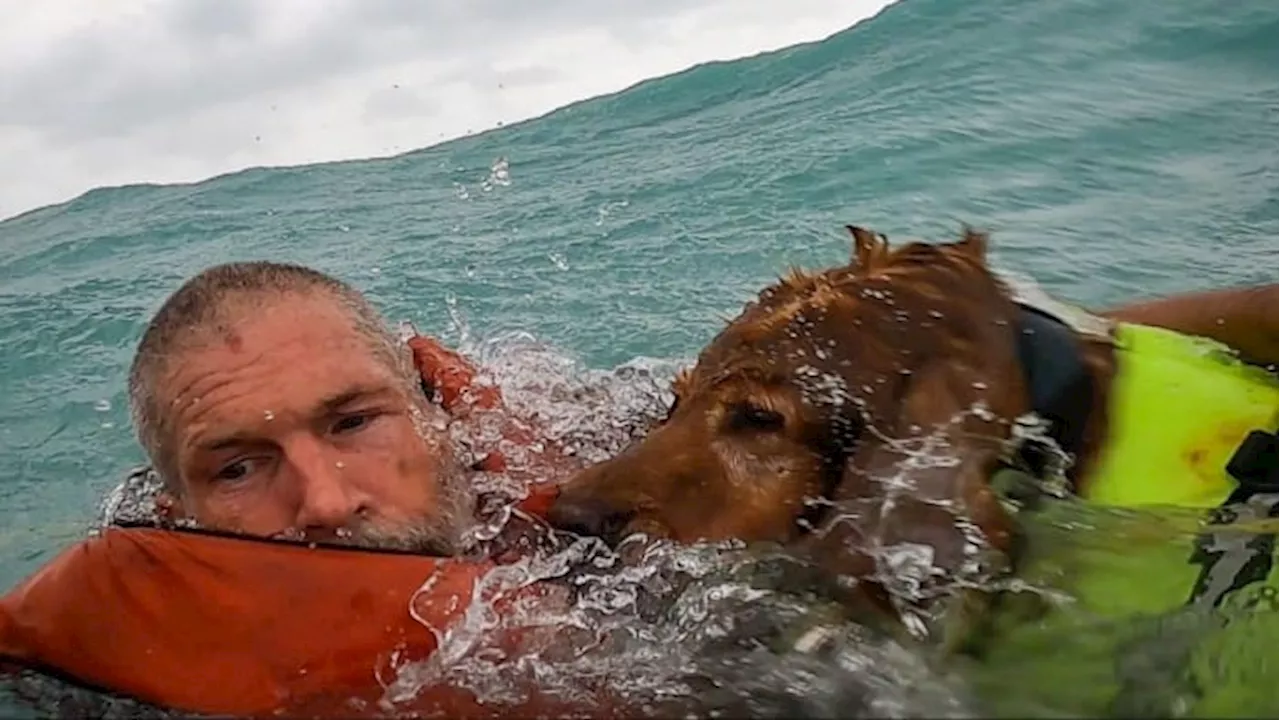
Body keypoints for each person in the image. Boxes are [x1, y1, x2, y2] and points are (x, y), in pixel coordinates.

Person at [0, 260, 1275, 717]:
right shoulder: (117, 667)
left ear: (436, 412)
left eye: (354, 421)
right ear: (169, 508)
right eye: (237, 465)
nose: (324, 499)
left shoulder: (590, 449)